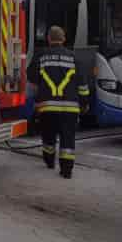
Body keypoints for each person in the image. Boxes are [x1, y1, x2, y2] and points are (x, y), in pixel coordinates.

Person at [28, 25, 90, 178]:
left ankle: (49, 161)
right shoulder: (74, 58)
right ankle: (66, 171)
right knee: (67, 138)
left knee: (48, 136)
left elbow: (31, 78)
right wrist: (84, 104)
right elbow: (83, 85)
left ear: (48, 39)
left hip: (47, 107)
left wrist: (36, 99)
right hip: (70, 109)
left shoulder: (40, 56)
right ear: (63, 39)